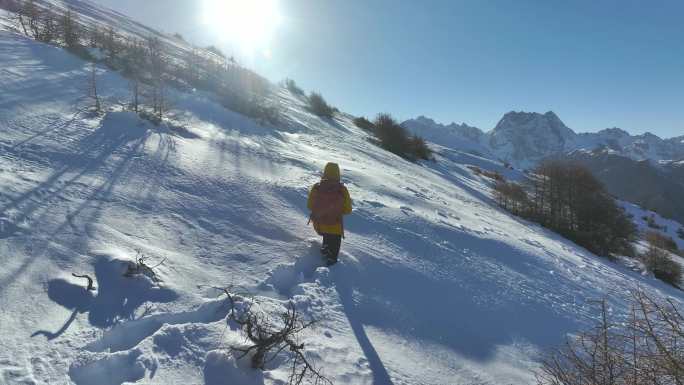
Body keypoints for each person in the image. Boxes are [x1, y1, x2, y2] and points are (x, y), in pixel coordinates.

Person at [307, 162, 352, 265]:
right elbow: (348, 210)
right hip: (335, 227)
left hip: (320, 225)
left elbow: (310, 206)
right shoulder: (342, 189)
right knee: (332, 259)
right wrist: (336, 211)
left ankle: (324, 252)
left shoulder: (317, 187)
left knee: (326, 240)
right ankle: (329, 271)